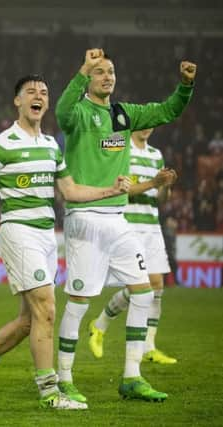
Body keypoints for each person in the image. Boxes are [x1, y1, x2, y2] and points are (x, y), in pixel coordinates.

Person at [0, 75, 130, 410]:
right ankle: (51, 393)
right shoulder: (1, 143)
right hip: (18, 231)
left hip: (47, 235)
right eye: (31, 92)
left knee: (29, 320)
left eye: (44, 93)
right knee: (47, 309)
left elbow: (71, 191)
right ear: (17, 102)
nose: (39, 96)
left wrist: (111, 190)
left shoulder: (52, 145)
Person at [55, 48, 196, 403]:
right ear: (89, 78)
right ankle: (64, 378)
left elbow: (167, 111)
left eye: (111, 71)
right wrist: (81, 69)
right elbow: (61, 113)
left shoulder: (124, 114)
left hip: (118, 218)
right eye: (99, 72)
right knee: (80, 299)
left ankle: (132, 377)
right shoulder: (80, 113)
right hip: (85, 216)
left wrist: (185, 85)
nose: (107, 76)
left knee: (144, 291)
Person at [88, 128, 178, 364]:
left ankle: (149, 346)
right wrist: (153, 182)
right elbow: (122, 191)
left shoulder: (155, 154)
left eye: (152, 123)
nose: (148, 127)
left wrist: (165, 185)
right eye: (143, 122)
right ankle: (101, 325)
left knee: (156, 285)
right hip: (127, 225)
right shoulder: (120, 148)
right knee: (140, 286)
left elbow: (161, 198)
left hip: (151, 226)